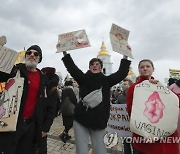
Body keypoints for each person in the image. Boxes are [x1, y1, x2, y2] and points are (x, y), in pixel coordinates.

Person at [61, 51, 131, 154]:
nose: (95, 66)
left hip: (99, 121)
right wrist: (65, 53)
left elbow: (121, 73)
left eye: (97, 64)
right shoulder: (83, 78)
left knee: (100, 150)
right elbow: (72, 68)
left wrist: (125, 56)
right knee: (81, 151)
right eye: (92, 64)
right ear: (89, 67)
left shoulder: (107, 80)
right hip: (81, 119)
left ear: (101, 67)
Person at [0, 45, 56, 154]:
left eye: (36, 54)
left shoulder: (44, 80)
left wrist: (45, 128)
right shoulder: (15, 70)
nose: (32, 55)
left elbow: (50, 106)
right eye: (29, 53)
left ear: (39, 59)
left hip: (31, 126)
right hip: (12, 123)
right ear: (25, 56)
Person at [126, 59, 179, 154]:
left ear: (153, 69)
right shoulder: (134, 88)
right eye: (142, 67)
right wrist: (145, 130)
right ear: (139, 70)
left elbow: (171, 104)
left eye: (147, 66)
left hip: (163, 131)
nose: (145, 69)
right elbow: (131, 110)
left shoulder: (161, 87)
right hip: (143, 132)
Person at [37, 67, 60, 154]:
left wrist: (45, 129)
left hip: (42, 124)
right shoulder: (42, 86)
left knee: (41, 148)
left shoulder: (51, 89)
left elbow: (52, 111)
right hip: (34, 123)